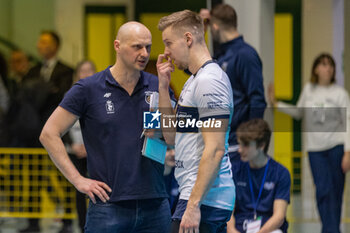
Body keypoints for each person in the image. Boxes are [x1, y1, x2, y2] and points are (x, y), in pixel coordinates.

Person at [40, 22, 173, 233]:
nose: (144, 53)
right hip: (108, 206)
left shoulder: (157, 86)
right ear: (117, 46)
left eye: (148, 47)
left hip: (155, 204)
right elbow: (49, 134)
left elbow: (170, 137)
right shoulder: (88, 89)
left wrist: (165, 88)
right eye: (137, 46)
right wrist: (78, 180)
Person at [157, 10, 235, 233]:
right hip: (194, 194)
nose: (166, 52)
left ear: (188, 39)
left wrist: (193, 205)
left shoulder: (210, 81)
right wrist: (163, 87)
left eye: (169, 43)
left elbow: (215, 148)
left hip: (204, 198)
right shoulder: (195, 80)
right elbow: (172, 136)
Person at [268, 53, 350, 233]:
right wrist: (276, 104)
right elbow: (299, 112)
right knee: (323, 191)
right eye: (323, 64)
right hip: (315, 150)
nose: (327, 68)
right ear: (316, 69)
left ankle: (331, 230)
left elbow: (348, 122)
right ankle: (330, 229)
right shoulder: (309, 90)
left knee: (335, 193)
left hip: (336, 148)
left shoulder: (340, 93)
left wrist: (347, 152)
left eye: (330, 65)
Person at [17, 30, 74, 233]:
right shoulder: (32, 71)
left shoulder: (66, 71)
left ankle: (67, 221)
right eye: (39, 41)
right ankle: (33, 223)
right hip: (34, 135)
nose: (40, 45)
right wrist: (47, 90)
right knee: (33, 179)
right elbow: (25, 97)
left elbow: (63, 97)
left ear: (55, 45)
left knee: (63, 175)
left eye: (44, 41)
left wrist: (44, 91)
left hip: (57, 133)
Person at [200, 4, 267, 162]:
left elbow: (257, 100)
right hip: (221, 141)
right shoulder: (222, 55)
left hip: (238, 146)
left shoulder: (245, 55)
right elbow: (195, 70)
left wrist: (250, 142)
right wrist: (200, 31)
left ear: (215, 26)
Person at [228, 119, 290, 233]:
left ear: (261, 145)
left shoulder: (281, 173)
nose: (240, 150)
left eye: (245, 145)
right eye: (240, 144)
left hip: (267, 229)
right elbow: (228, 213)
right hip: (239, 228)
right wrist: (232, 231)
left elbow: (279, 216)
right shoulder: (234, 170)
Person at [68, 60, 96, 233]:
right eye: (83, 71)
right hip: (75, 151)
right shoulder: (69, 95)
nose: (86, 74)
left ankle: (95, 224)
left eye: (90, 70)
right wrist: (72, 145)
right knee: (79, 192)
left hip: (95, 152)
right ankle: (81, 226)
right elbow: (58, 129)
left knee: (97, 189)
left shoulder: (102, 94)